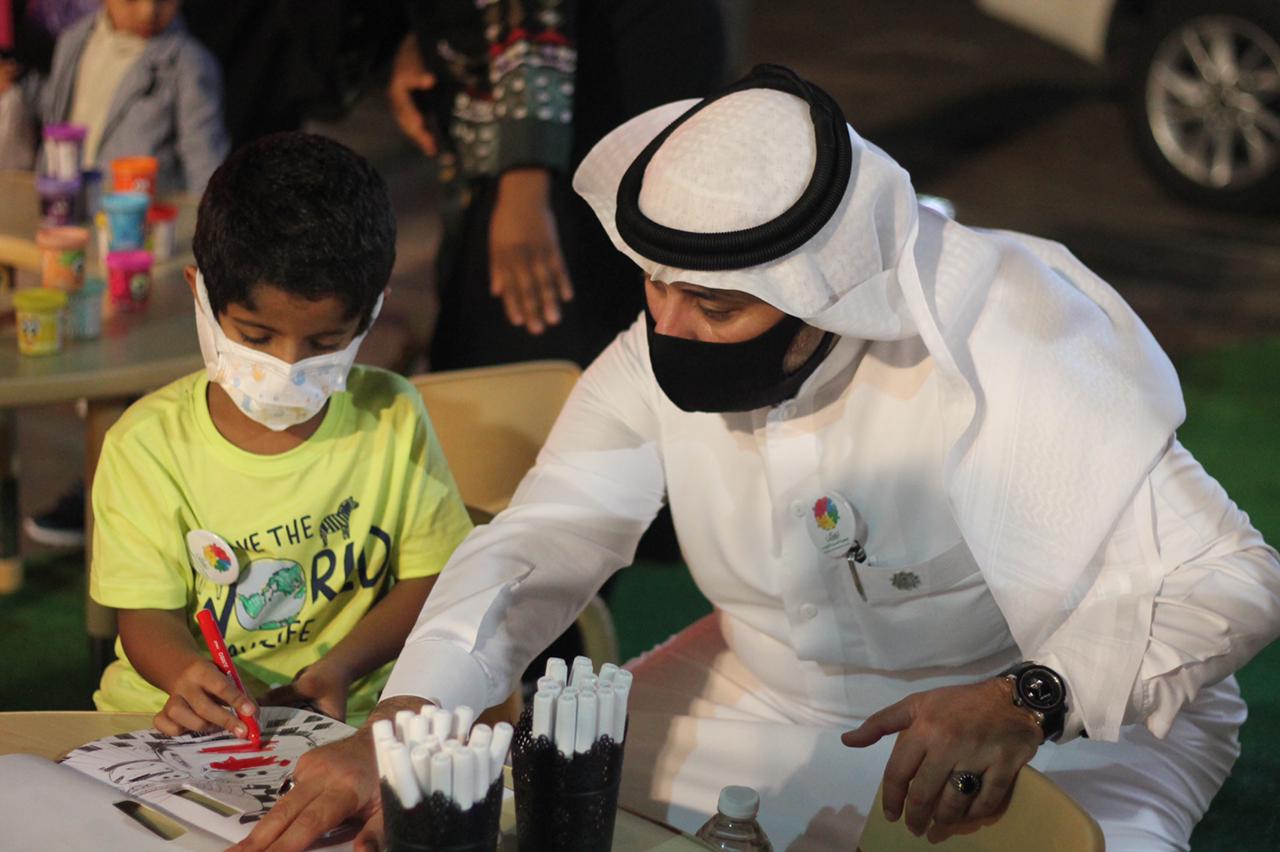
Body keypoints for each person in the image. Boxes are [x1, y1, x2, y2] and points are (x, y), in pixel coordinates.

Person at [232, 66, 1280, 852]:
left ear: (822, 290)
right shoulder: (659, 338)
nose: (667, 325)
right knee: (519, 811)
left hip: (1060, 724)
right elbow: (545, 537)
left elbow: (1232, 579)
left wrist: (1025, 699)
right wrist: (409, 726)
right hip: (763, 693)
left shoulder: (1004, 335)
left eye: (714, 305)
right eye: (652, 284)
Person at [89, 132, 473, 732]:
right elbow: (144, 615)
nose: (288, 367)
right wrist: (187, 673)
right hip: (177, 717)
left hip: (344, 718)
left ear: (372, 313)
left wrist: (341, 666)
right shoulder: (146, 446)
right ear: (200, 294)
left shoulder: (393, 417)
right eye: (256, 336)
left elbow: (433, 576)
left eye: (325, 342)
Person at [390, 0, 725, 370]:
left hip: (585, 94)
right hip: (540, 104)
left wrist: (525, 176)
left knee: (544, 330)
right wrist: (425, 34)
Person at [40, 0, 228, 194]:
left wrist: (205, 207)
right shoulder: (73, 42)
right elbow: (54, 117)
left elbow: (204, 161)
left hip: (140, 206)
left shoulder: (189, 64)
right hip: (66, 199)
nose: (148, 12)